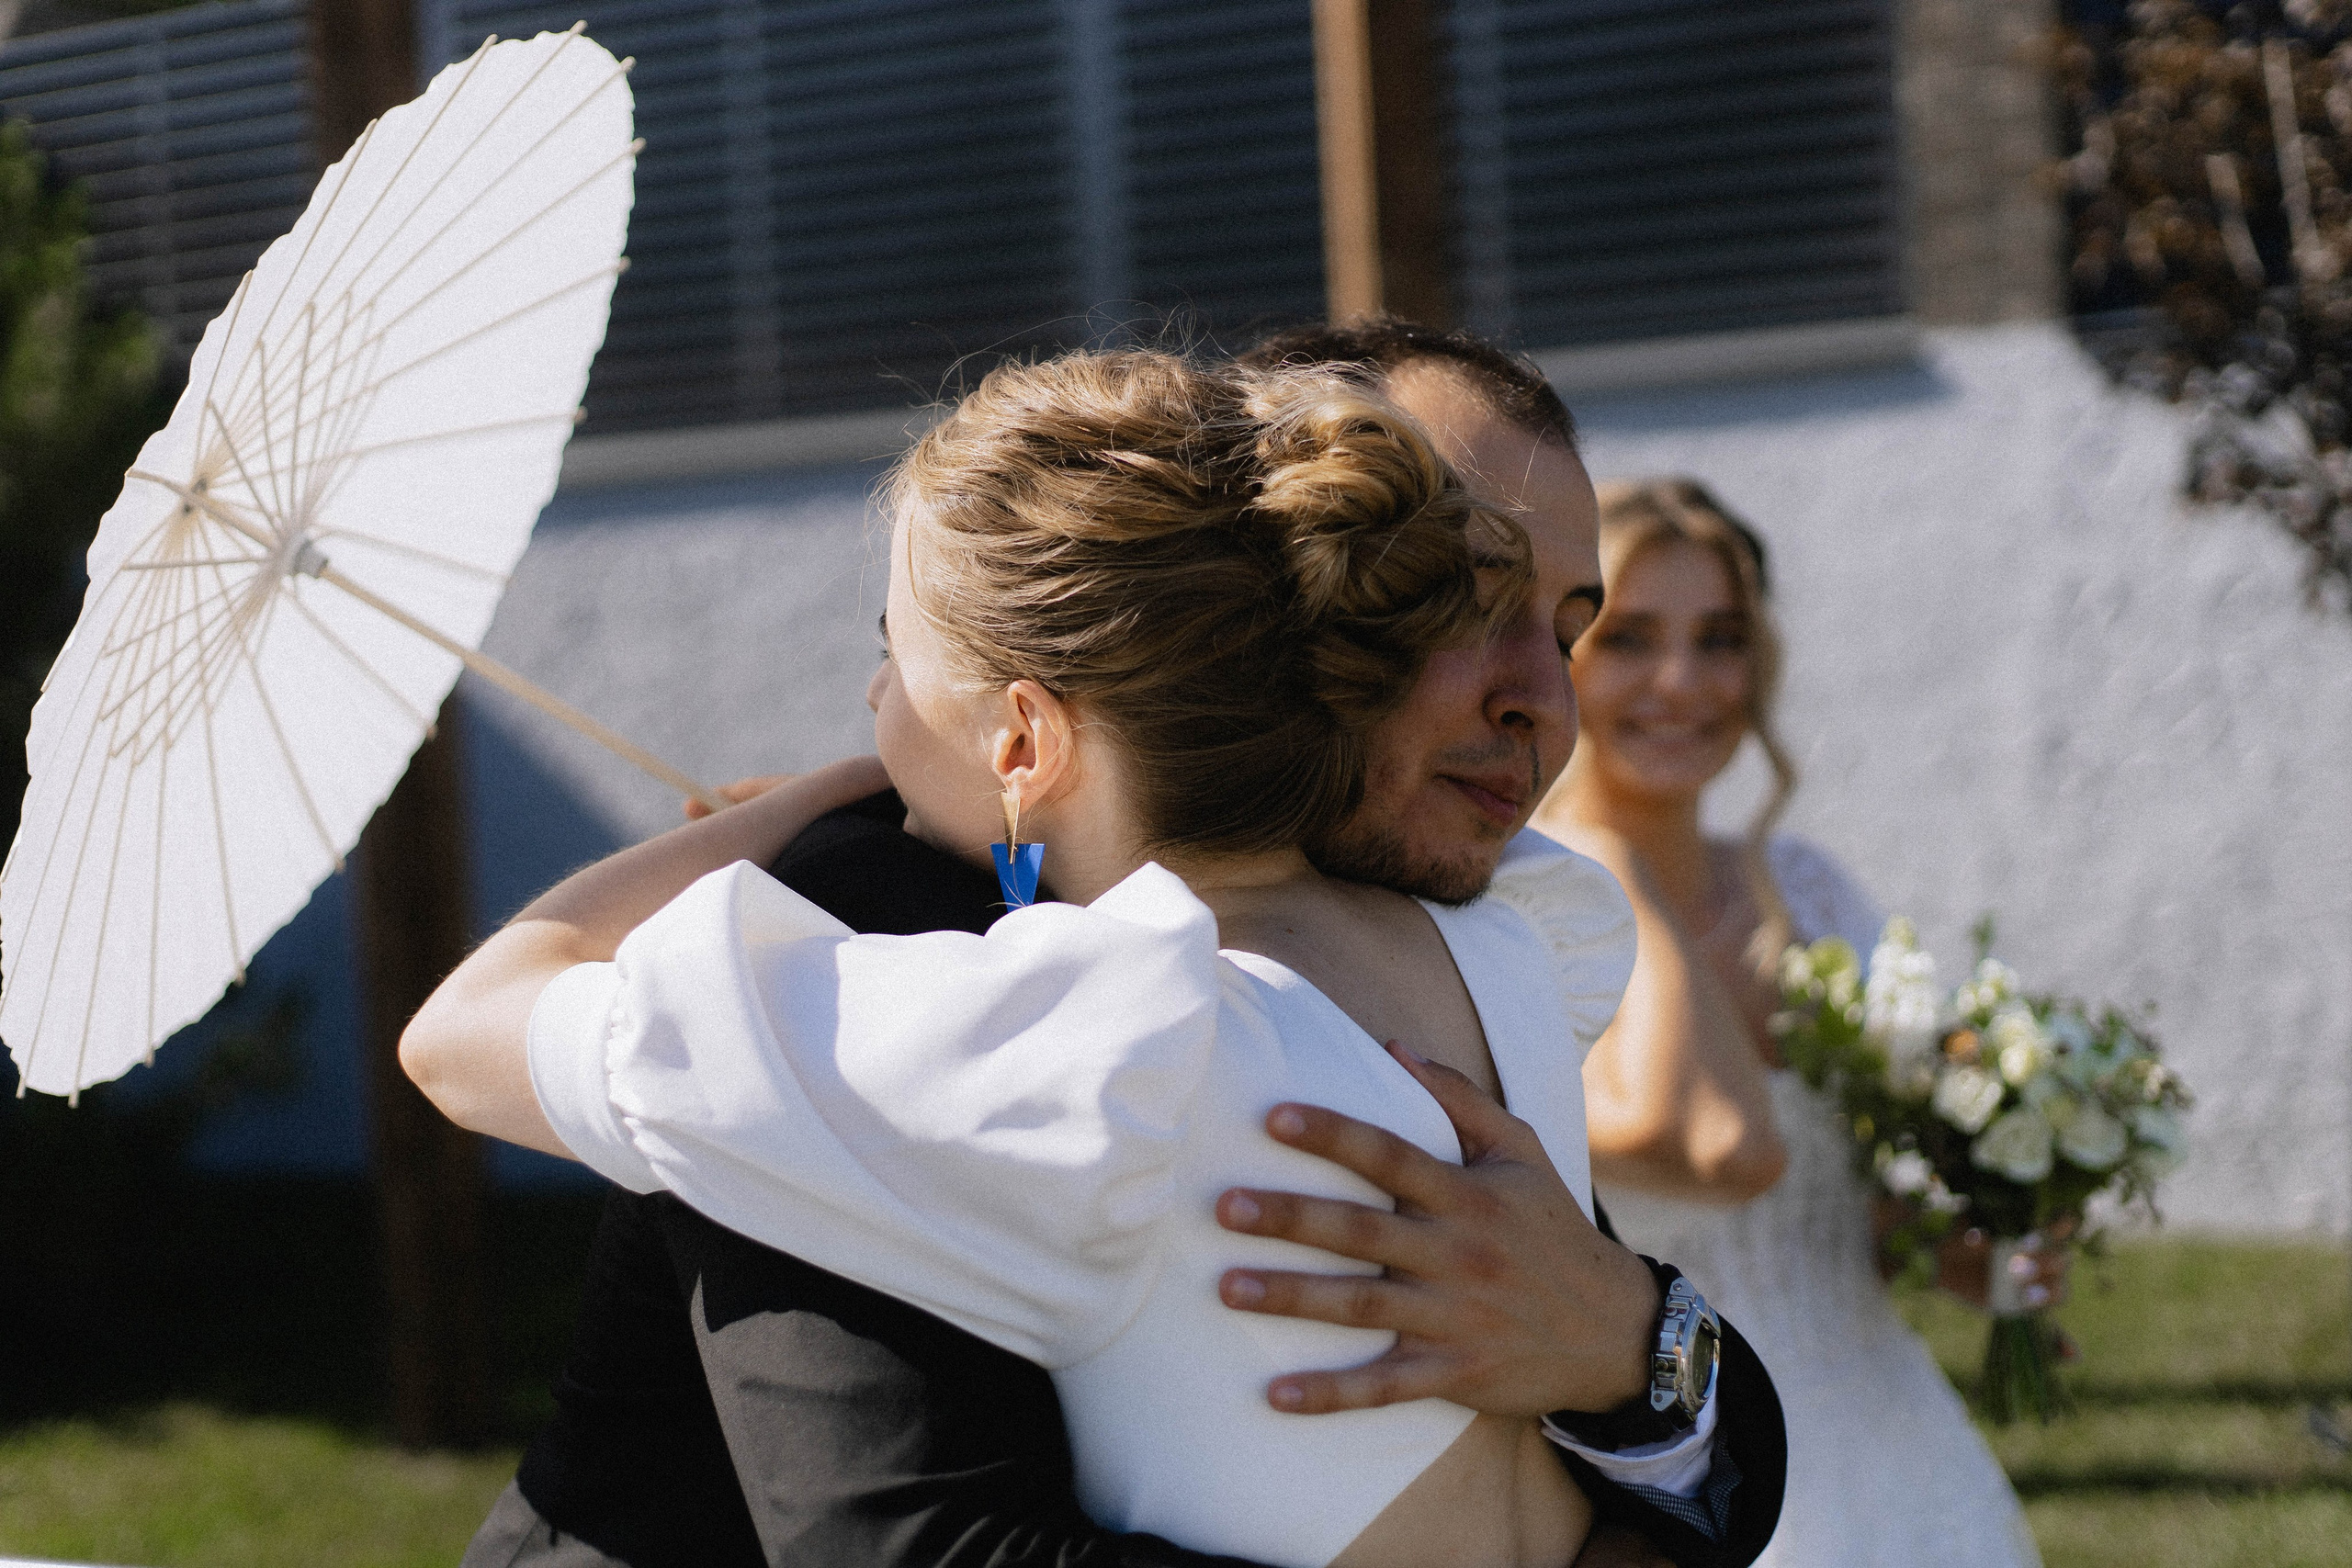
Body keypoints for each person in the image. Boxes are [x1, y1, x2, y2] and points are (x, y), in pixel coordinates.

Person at [408, 347, 1779, 1568]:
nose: (1547, 701)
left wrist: (1627, 1343)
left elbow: (1692, 1447)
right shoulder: (875, 948)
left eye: (1569, 626)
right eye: (1450, 598)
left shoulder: (1469, 931)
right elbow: (904, 1530)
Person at [1529, 477, 2041, 1568]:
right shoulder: (1529, 908)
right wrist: (1617, 861)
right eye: (1627, 639)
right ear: (1557, 651)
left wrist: (1981, 1233)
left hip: (1885, 1425)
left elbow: (1861, 1202)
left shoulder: (1806, 890)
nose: (1683, 681)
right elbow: (1718, 1151)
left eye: (1719, 639)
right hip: (1686, 1457)